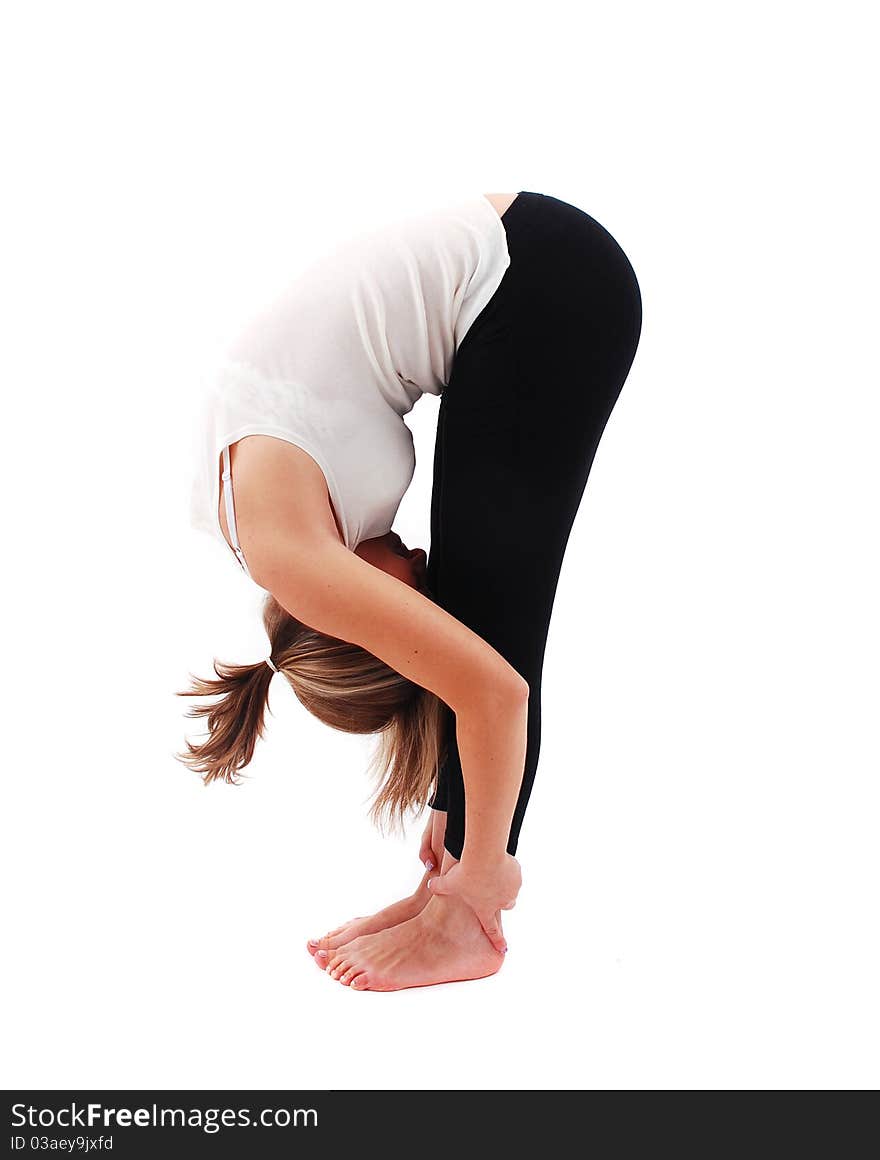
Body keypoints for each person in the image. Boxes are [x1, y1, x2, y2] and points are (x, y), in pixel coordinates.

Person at [177, 190, 642, 991]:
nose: (420, 589)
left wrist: (487, 867)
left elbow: (493, 691)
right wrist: (453, 812)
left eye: (403, 623)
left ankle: (469, 909)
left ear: (353, 625)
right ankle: (452, 883)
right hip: (529, 279)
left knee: (494, 639)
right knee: (489, 622)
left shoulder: (300, 560)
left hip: (537, 278)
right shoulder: (262, 527)